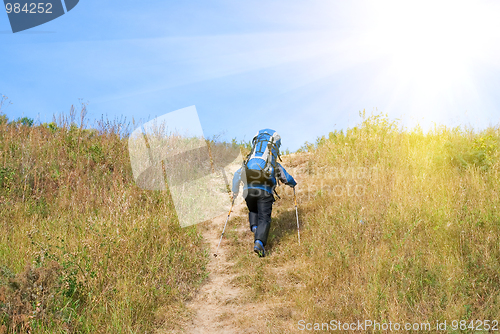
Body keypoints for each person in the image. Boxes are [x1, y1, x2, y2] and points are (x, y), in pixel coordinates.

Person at [232, 129, 297, 257]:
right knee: (264, 218)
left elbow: (236, 175)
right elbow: (286, 178)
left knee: (253, 210)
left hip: (248, 192)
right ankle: (259, 243)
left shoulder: (249, 161)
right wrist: (293, 184)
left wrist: (235, 191)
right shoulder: (272, 163)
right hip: (265, 192)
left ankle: (255, 228)